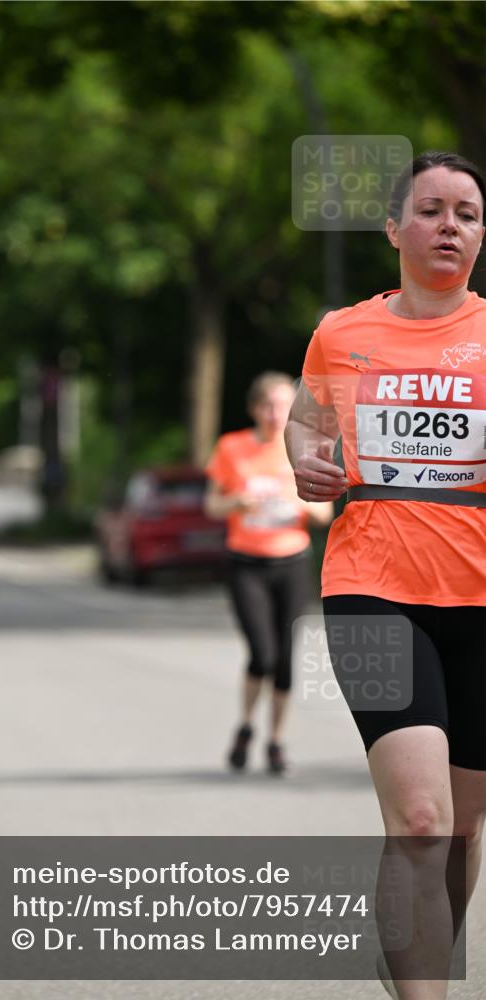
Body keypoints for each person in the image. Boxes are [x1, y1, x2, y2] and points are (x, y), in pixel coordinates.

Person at [285, 151, 486, 999]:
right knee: (419, 818)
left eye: (467, 214)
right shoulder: (343, 332)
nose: (450, 226)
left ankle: (417, 953)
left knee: (462, 827)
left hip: (478, 592)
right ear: (394, 228)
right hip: (370, 585)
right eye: (433, 210)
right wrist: (305, 463)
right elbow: (303, 424)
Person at [205, 372, 333, 774]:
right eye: (268, 405)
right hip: (246, 564)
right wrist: (238, 502)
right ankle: (245, 726)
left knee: (285, 661)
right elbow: (212, 506)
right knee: (262, 653)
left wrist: (296, 501)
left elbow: (323, 513)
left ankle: (275, 741)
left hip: (292, 563)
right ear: (254, 409)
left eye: (283, 405)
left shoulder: (301, 446)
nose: (276, 413)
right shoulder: (232, 447)